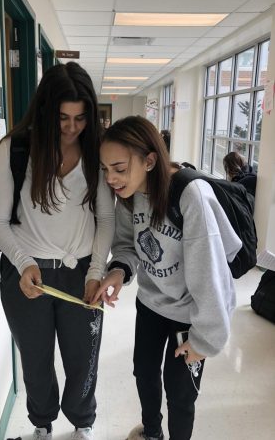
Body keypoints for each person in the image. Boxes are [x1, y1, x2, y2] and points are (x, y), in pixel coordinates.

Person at [92, 116, 242, 440]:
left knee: (180, 393)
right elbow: (123, 244)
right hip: (151, 303)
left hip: (190, 315)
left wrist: (204, 341)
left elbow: (210, 275)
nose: (111, 179)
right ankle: (152, 433)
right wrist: (118, 271)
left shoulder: (190, 195)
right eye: (105, 170)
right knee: (144, 373)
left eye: (119, 168)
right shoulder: (129, 195)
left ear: (149, 160)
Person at [0, 62, 115, 440]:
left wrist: (96, 271)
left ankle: (82, 422)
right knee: (36, 360)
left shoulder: (96, 152)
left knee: (83, 358)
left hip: (81, 274)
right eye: (63, 118)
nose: (72, 127)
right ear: (45, 110)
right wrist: (24, 263)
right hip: (27, 275)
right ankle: (41, 424)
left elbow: (106, 219)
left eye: (80, 118)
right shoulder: (16, 149)